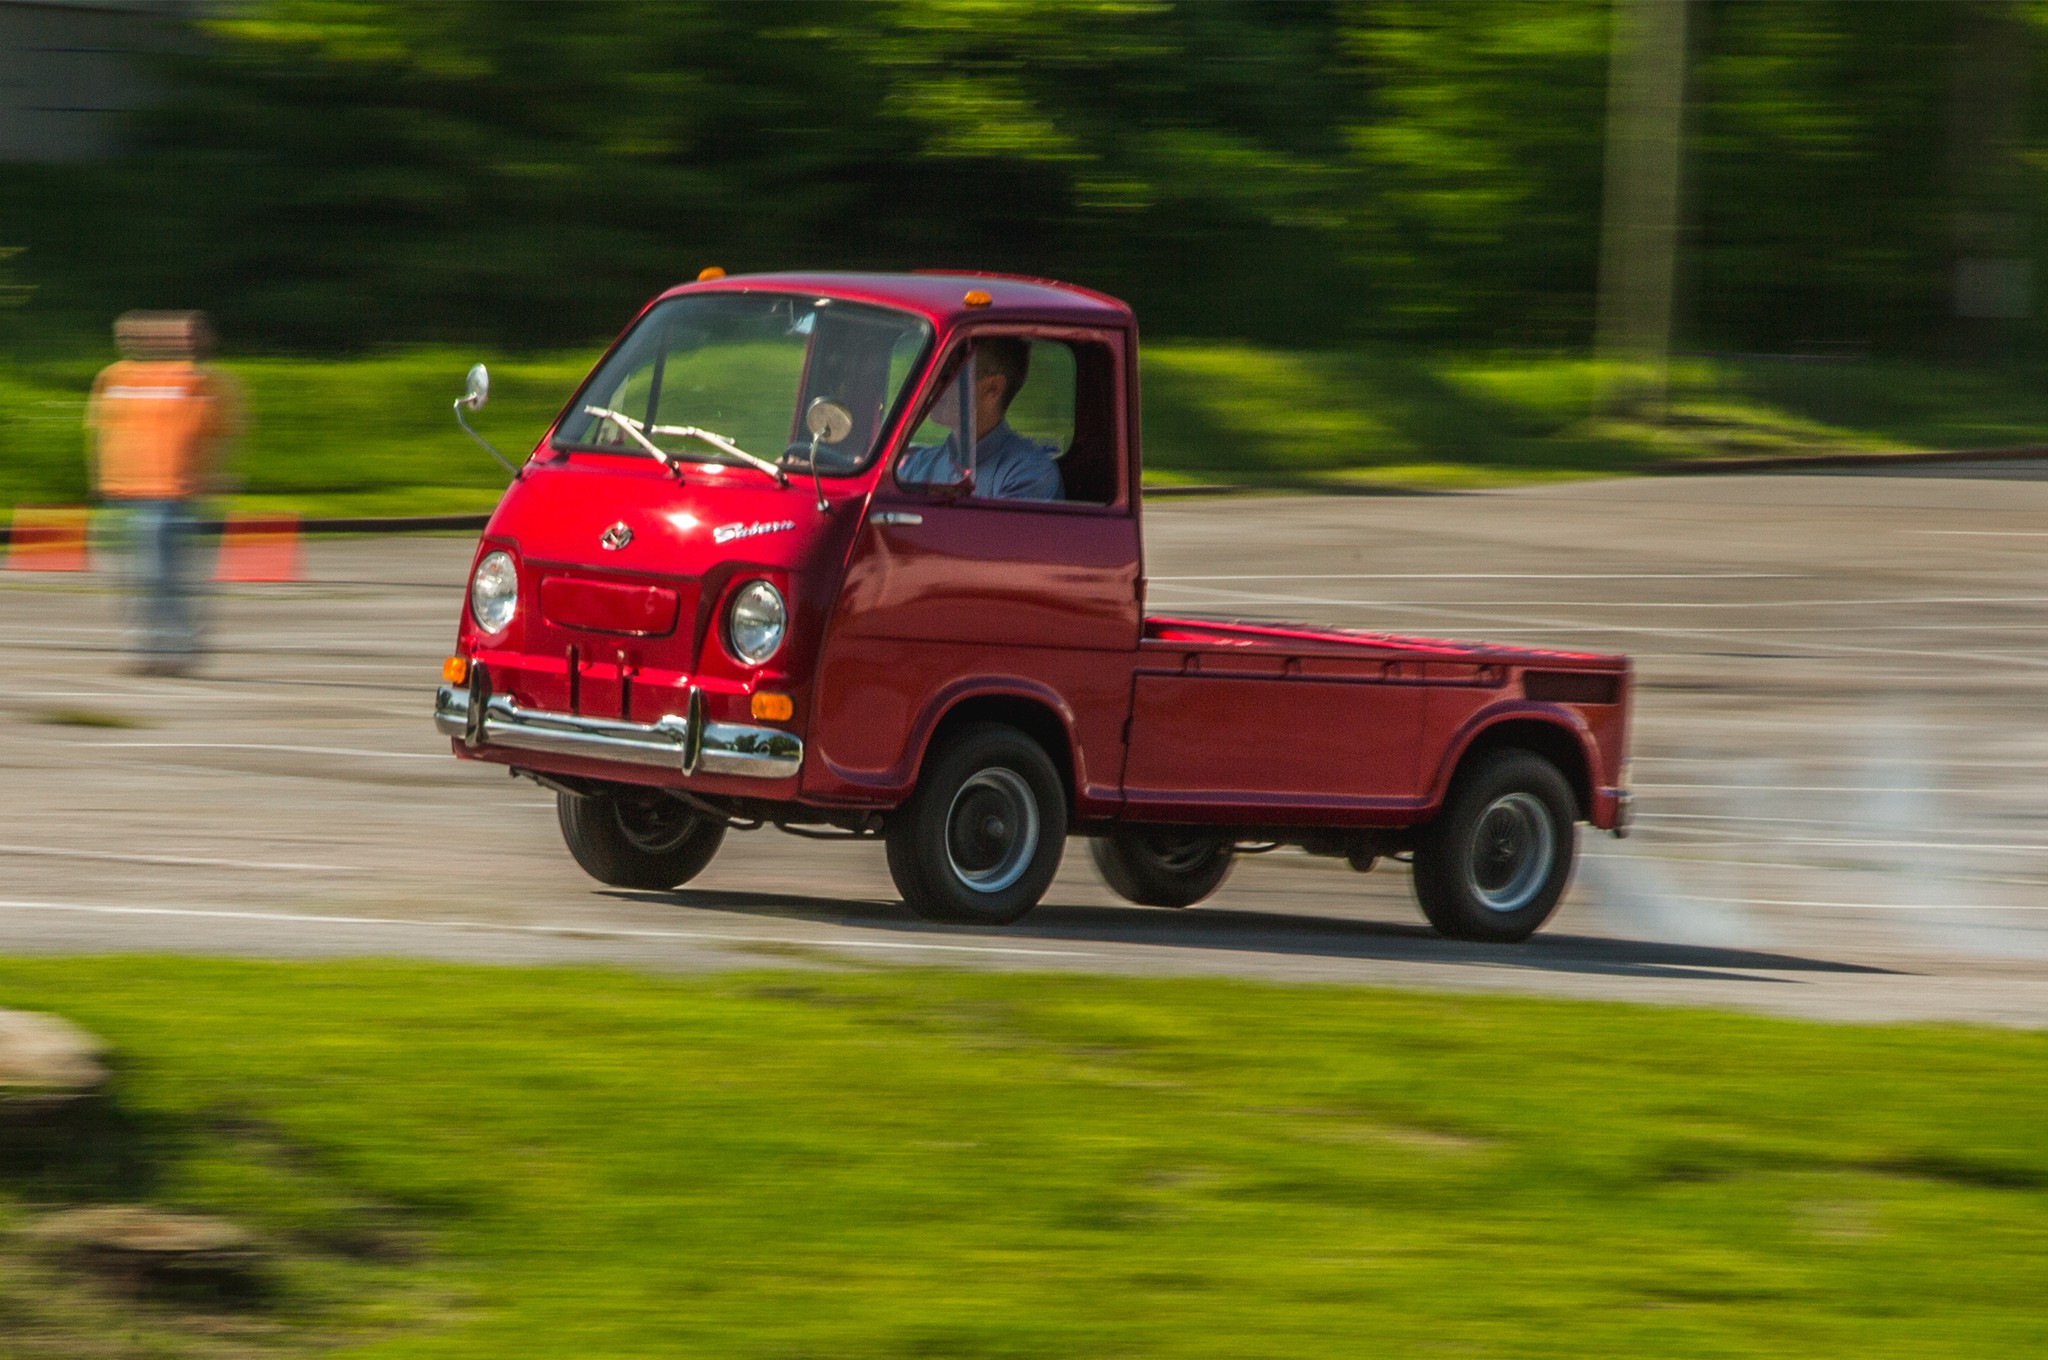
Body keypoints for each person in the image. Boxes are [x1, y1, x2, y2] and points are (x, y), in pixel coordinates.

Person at [85, 310, 240, 675]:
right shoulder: (113, 377)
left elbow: (221, 435)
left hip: (172, 493)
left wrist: (213, 478)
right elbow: (101, 431)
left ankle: (177, 647)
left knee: (164, 575)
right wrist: (99, 479)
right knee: (129, 577)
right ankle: (148, 647)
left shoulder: (202, 380)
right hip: (119, 493)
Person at [897, 337, 1062, 500]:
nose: (932, 383)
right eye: (932, 371)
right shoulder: (916, 466)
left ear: (992, 389)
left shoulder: (1030, 474)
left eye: (947, 373)